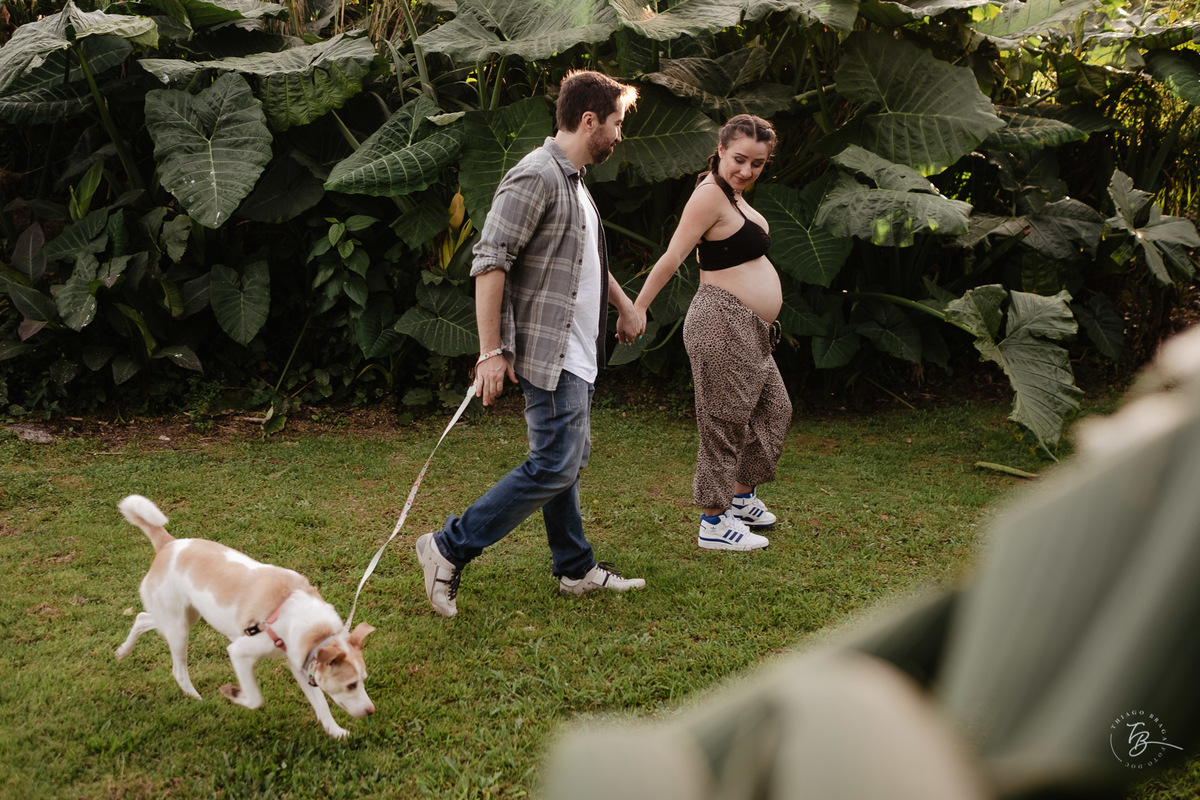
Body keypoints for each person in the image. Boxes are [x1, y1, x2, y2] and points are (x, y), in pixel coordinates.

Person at [415, 70, 647, 618]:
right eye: (615, 124)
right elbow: (490, 260)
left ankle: (574, 567)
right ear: (589, 120)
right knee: (553, 465)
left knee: (563, 462)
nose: (618, 136)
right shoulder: (536, 176)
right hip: (551, 352)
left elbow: (584, 262)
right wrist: (490, 352)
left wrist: (625, 305)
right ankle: (447, 546)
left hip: (578, 350)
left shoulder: (573, 181)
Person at [629, 115, 791, 552]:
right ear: (720, 150)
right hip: (721, 321)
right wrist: (638, 307)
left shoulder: (732, 195)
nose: (746, 171)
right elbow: (673, 255)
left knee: (775, 410)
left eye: (757, 164)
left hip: (751, 327)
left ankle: (740, 497)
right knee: (722, 422)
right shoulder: (708, 197)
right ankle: (714, 522)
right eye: (739, 159)